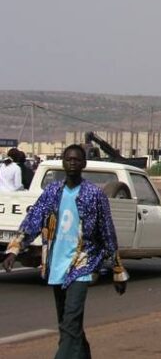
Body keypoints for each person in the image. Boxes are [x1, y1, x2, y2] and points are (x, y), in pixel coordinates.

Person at [2, 144, 128, 357]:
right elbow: (33, 220)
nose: (72, 163)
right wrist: (14, 250)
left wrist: (118, 269)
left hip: (81, 265)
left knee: (71, 320)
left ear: (83, 164)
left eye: (76, 160)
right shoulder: (52, 192)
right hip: (56, 264)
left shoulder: (95, 195)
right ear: (62, 162)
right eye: (68, 159)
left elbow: (107, 232)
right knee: (68, 324)